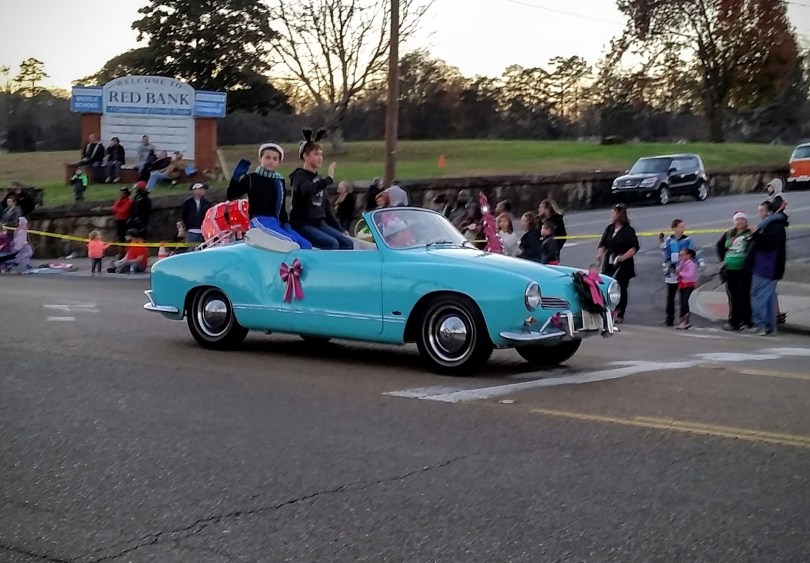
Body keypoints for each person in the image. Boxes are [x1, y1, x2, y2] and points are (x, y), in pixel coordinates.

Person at [226, 142, 312, 249]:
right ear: (260, 159)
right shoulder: (252, 179)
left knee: (306, 245)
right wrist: (235, 178)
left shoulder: (279, 181)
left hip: (275, 222)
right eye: (267, 158)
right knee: (291, 242)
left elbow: (281, 208)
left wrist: (285, 223)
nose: (271, 161)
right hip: (259, 220)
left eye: (275, 159)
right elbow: (231, 195)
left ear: (279, 162)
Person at [289, 129, 353, 250]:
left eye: (321, 154)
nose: (320, 158)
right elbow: (308, 189)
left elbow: (327, 210)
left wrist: (341, 229)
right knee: (332, 243)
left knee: (347, 243)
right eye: (316, 154)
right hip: (302, 224)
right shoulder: (299, 177)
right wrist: (328, 180)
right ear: (305, 156)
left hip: (319, 223)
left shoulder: (318, 179)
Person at [745, 201, 788, 336]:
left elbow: (768, 244)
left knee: (759, 296)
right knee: (768, 297)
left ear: (769, 212)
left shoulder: (773, 226)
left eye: (762, 211)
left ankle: (761, 325)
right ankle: (769, 326)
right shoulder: (773, 225)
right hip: (767, 267)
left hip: (765, 267)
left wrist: (756, 233)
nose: (760, 214)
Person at [596, 203, 640, 324]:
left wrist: (622, 257)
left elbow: (634, 248)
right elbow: (603, 244)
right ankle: (607, 311)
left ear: (620, 215)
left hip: (623, 265)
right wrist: (600, 253)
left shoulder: (628, 230)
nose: (611, 215)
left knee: (621, 288)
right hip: (610, 262)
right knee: (606, 285)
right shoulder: (609, 228)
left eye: (614, 213)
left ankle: (620, 313)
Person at [660, 219, 704, 327]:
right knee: (670, 297)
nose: (683, 229)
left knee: (684, 298)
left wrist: (700, 261)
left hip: (684, 274)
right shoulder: (669, 241)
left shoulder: (687, 240)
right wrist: (670, 266)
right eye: (681, 227)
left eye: (683, 227)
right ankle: (669, 319)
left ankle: (683, 319)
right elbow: (666, 255)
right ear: (674, 228)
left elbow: (693, 253)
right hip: (672, 273)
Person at [715, 211, 753, 331]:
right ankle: (734, 321)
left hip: (743, 270)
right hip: (729, 269)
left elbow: (754, 248)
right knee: (733, 296)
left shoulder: (750, 234)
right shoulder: (729, 233)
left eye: (742, 219)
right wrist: (724, 259)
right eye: (737, 220)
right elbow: (719, 246)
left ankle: (746, 321)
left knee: (744, 295)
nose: (739, 222)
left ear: (746, 221)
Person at [675, 248, 698, 329]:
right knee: (682, 302)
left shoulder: (691, 264)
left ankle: (685, 321)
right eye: (680, 255)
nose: (680, 257)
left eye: (682, 255)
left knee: (685, 302)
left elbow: (690, 275)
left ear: (688, 255)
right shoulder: (682, 263)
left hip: (688, 284)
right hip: (682, 284)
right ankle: (682, 320)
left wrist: (680, 273)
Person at [111, 187, 133, 254]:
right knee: (119, 237)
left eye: (122, 193)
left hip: (124, 221)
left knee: (125, 237)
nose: (121, 194)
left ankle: (126, 252)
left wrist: (117, 209)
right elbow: (113, 209)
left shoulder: (129, 201)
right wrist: (118, 205)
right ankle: (121, 252)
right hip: (118, 220)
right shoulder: (119, 200)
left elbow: (123, 210)